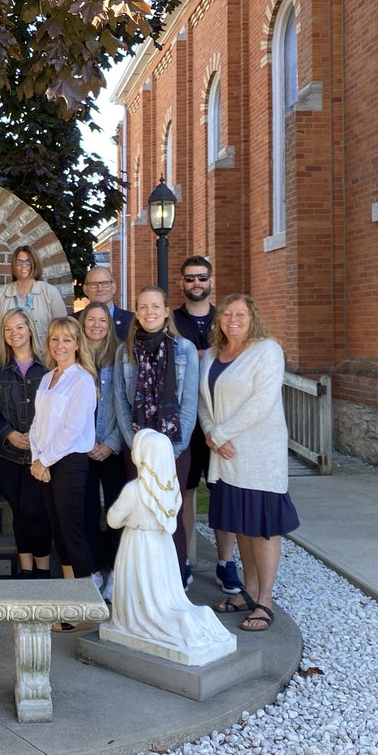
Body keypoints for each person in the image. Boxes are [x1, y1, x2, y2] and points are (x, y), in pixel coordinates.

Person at [199, 293, 296, 632]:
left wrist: (221, 433)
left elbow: (263, 401)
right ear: (219, 319)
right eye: (227, 313)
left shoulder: (267, 350)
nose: (233, 319)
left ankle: (266, 600)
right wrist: (211, 433)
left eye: (240, 314)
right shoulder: (212, 354)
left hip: (257, 456)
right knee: (241, 524)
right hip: (225, 457)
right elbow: (203, 402)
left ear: (252, 317)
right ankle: (248, 591)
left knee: (263, 527)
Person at [102, 429, 237, 665]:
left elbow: (113, 520)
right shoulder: (171, 487)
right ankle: (182, 618)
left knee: (142, 591)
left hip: (138, 546)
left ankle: (135, 621)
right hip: (162, 547)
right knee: (164, 592)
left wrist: (128, 518)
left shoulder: (135, 489)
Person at [113, 285, 199, 587]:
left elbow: (188, 404)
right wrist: (137, 446)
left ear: (165, 310)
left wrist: (171, 450)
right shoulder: (124, 351)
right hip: (136, 447)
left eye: (155, 307)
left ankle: (175, 578)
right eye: (143, 307)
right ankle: (145, 582)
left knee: (168, 513)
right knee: (141, 513)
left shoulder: (185, 349)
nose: (149, 312)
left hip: (174, 448)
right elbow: (121, 403)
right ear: (137, 312)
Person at [171, 255, 242, 597]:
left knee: (223, 492)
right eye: (189, 279)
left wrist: (198, 357)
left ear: (211, 281)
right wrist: (205, 356)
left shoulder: (225, 319)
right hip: (186, 422)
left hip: (219, 420)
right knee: (184, 491)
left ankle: (226, 563)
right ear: (181, 283)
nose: (196, 284)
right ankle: (183, 559)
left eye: (201, 278)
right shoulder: (172, 320)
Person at [29, 316, 101, 627]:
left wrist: (47, 460)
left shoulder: (82, 379)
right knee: (59, 534)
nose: (60, 345)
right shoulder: (48, 379)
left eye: (67, 340)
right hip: (46, 462)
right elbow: (37, 425)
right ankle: (71, 606)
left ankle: (85, 611)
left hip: (69, 462)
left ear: (77, 344)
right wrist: (37, 458)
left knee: (73, 533)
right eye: (55, 339)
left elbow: (72, 429)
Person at [0, 309, 53, 578]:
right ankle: (26, 569)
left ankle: (43, 570)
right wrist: (8, 433)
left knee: (35, 510)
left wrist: (37, 438)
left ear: (29, 329)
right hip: (7, 453)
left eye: (19, 327)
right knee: (18, 510)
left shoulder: (48, 365)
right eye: (8, 329)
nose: (14, 333)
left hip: (41, 453)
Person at [80, 300, 124, 600]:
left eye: (102, 321)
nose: (96, 325)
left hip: (112, 447)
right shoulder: (73, 356)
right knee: (86, 511)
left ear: (109, 326)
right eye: (90, 320)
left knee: (116, 511)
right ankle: (93, 569)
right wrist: (84, 443)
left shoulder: (121, 357)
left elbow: (127, 404)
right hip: (81, 448)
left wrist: (110, 443)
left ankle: (114, 570)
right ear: (83, 324)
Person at [0, 245, 68, 359]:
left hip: (45, 362)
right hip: (8, 363)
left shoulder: (50, 292)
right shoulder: (0, 295)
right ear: (14, 265)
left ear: (35, 264)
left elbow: (63, 329)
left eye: (28, 262)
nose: (24, 266)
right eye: (19, 262)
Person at [75, 266, 134, 342]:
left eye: (105, 283)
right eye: (94, 284)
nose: (100, 289)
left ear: (114, 287)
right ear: (85, 290)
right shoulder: (73, 322)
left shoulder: (132, 321)